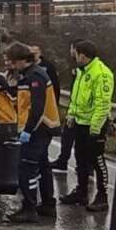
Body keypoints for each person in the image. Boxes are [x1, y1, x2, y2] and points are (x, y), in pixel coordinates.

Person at [3, 43, 61, 223]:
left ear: (21, 60)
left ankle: (29, 207)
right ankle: (48, 204)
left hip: (39, 129)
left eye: (12, 61)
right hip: (42, 128)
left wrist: (28, 130)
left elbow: (37, 108)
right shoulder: (28, 75)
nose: (10, 65)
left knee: (27, 167)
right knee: (43, 166)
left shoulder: (35, 77)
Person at [59, 40, 114, 212]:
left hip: (94, 125)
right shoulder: (83, 72)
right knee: (80, 159)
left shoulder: (101, 73)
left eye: (76, 53)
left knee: (97, 160)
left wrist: (96, 128)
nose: (74, 56)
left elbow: (102, 104)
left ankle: (102, 196)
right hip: (80, 123)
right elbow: (76, 98)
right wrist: (71, 116)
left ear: (82, 55)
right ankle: (81, 192)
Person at [50, 39, 85, 173]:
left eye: (72, 48)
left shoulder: (85, 69)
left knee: (79, 143)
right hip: (74, 109)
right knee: (67, 138)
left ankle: (84, 168)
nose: (70, 51)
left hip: (81, 113)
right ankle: (63, 161)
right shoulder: (74, 65)